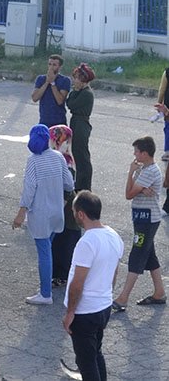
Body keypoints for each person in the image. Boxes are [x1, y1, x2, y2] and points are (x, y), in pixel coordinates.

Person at [63, 191, 123, 381]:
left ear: (81, 214)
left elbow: (77, 283)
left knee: (86, 364)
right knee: (96, 354)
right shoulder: (114, 236)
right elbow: (114, 272)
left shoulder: (87, 242)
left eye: (74, 211)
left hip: (85, 312)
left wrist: (70, 313)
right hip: (103, 306)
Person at [13, 124, 75, 304]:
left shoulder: (33, 161)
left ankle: (45, 294)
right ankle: (46, 287)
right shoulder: (58, 157)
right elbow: (69, 184)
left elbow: (29, 189)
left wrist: (20, 213)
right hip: (57, 212)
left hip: (40, 214)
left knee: (44, 253)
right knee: (47, 248)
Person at [112, 136, 167, 311]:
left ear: (144, 153)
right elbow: (131, 192)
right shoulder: (144, 169)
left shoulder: (149, 171)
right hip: (143, 218)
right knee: (150, 256)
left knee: (136, 255)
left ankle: (123, 298)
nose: (134, 154)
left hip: (147, 220)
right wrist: (139, 186)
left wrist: (131, 174)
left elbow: (128, 194)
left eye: (136, 151)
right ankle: (159, 293)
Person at [48, 125, 82, 288]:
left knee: (64, 244)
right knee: (62, 243)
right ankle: (60, 275)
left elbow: (67, 189)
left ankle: (62, 276)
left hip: (66, 210)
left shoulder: (64, 160)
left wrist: (56, 208)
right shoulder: (64, 156)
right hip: (65, 209)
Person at [67, 63, 95, 192]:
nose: (75, 80)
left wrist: (74, 91)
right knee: (77, 154)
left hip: (81, 124)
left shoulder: (86, 93)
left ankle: (84, 185)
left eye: (77, 78)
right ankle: (80, 182)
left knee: (82, 155)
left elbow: (71, 104)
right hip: (76, 122)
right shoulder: (81, 92)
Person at [31, 54, 70, 127]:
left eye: (54, 65)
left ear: (60, 67)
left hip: (59, 122)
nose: (51, 67)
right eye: (49, 64)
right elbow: (35, 98)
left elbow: (60, 101)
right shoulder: (41, 79)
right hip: (44, 121)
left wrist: (52, 83)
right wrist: (46, 82)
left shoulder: (65, 80)